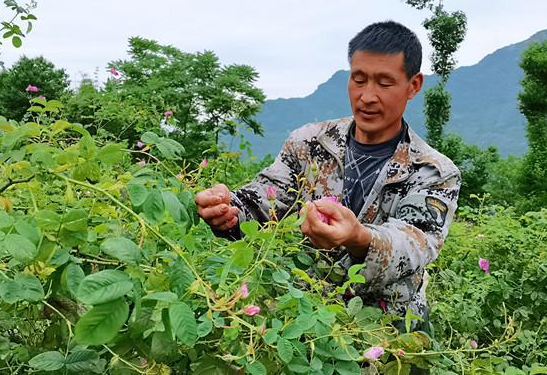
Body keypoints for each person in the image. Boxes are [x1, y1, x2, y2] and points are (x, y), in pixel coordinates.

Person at [195, 21, 461, 338]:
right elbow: (267, 196)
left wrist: (359, 237)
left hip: (388, 334)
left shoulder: (433, 171)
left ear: (413, 85)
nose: (367, 96)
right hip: (306, 325)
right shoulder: (309, 142)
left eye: (385, 83)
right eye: (358, 80)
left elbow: (415, 243)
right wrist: (228, 209)